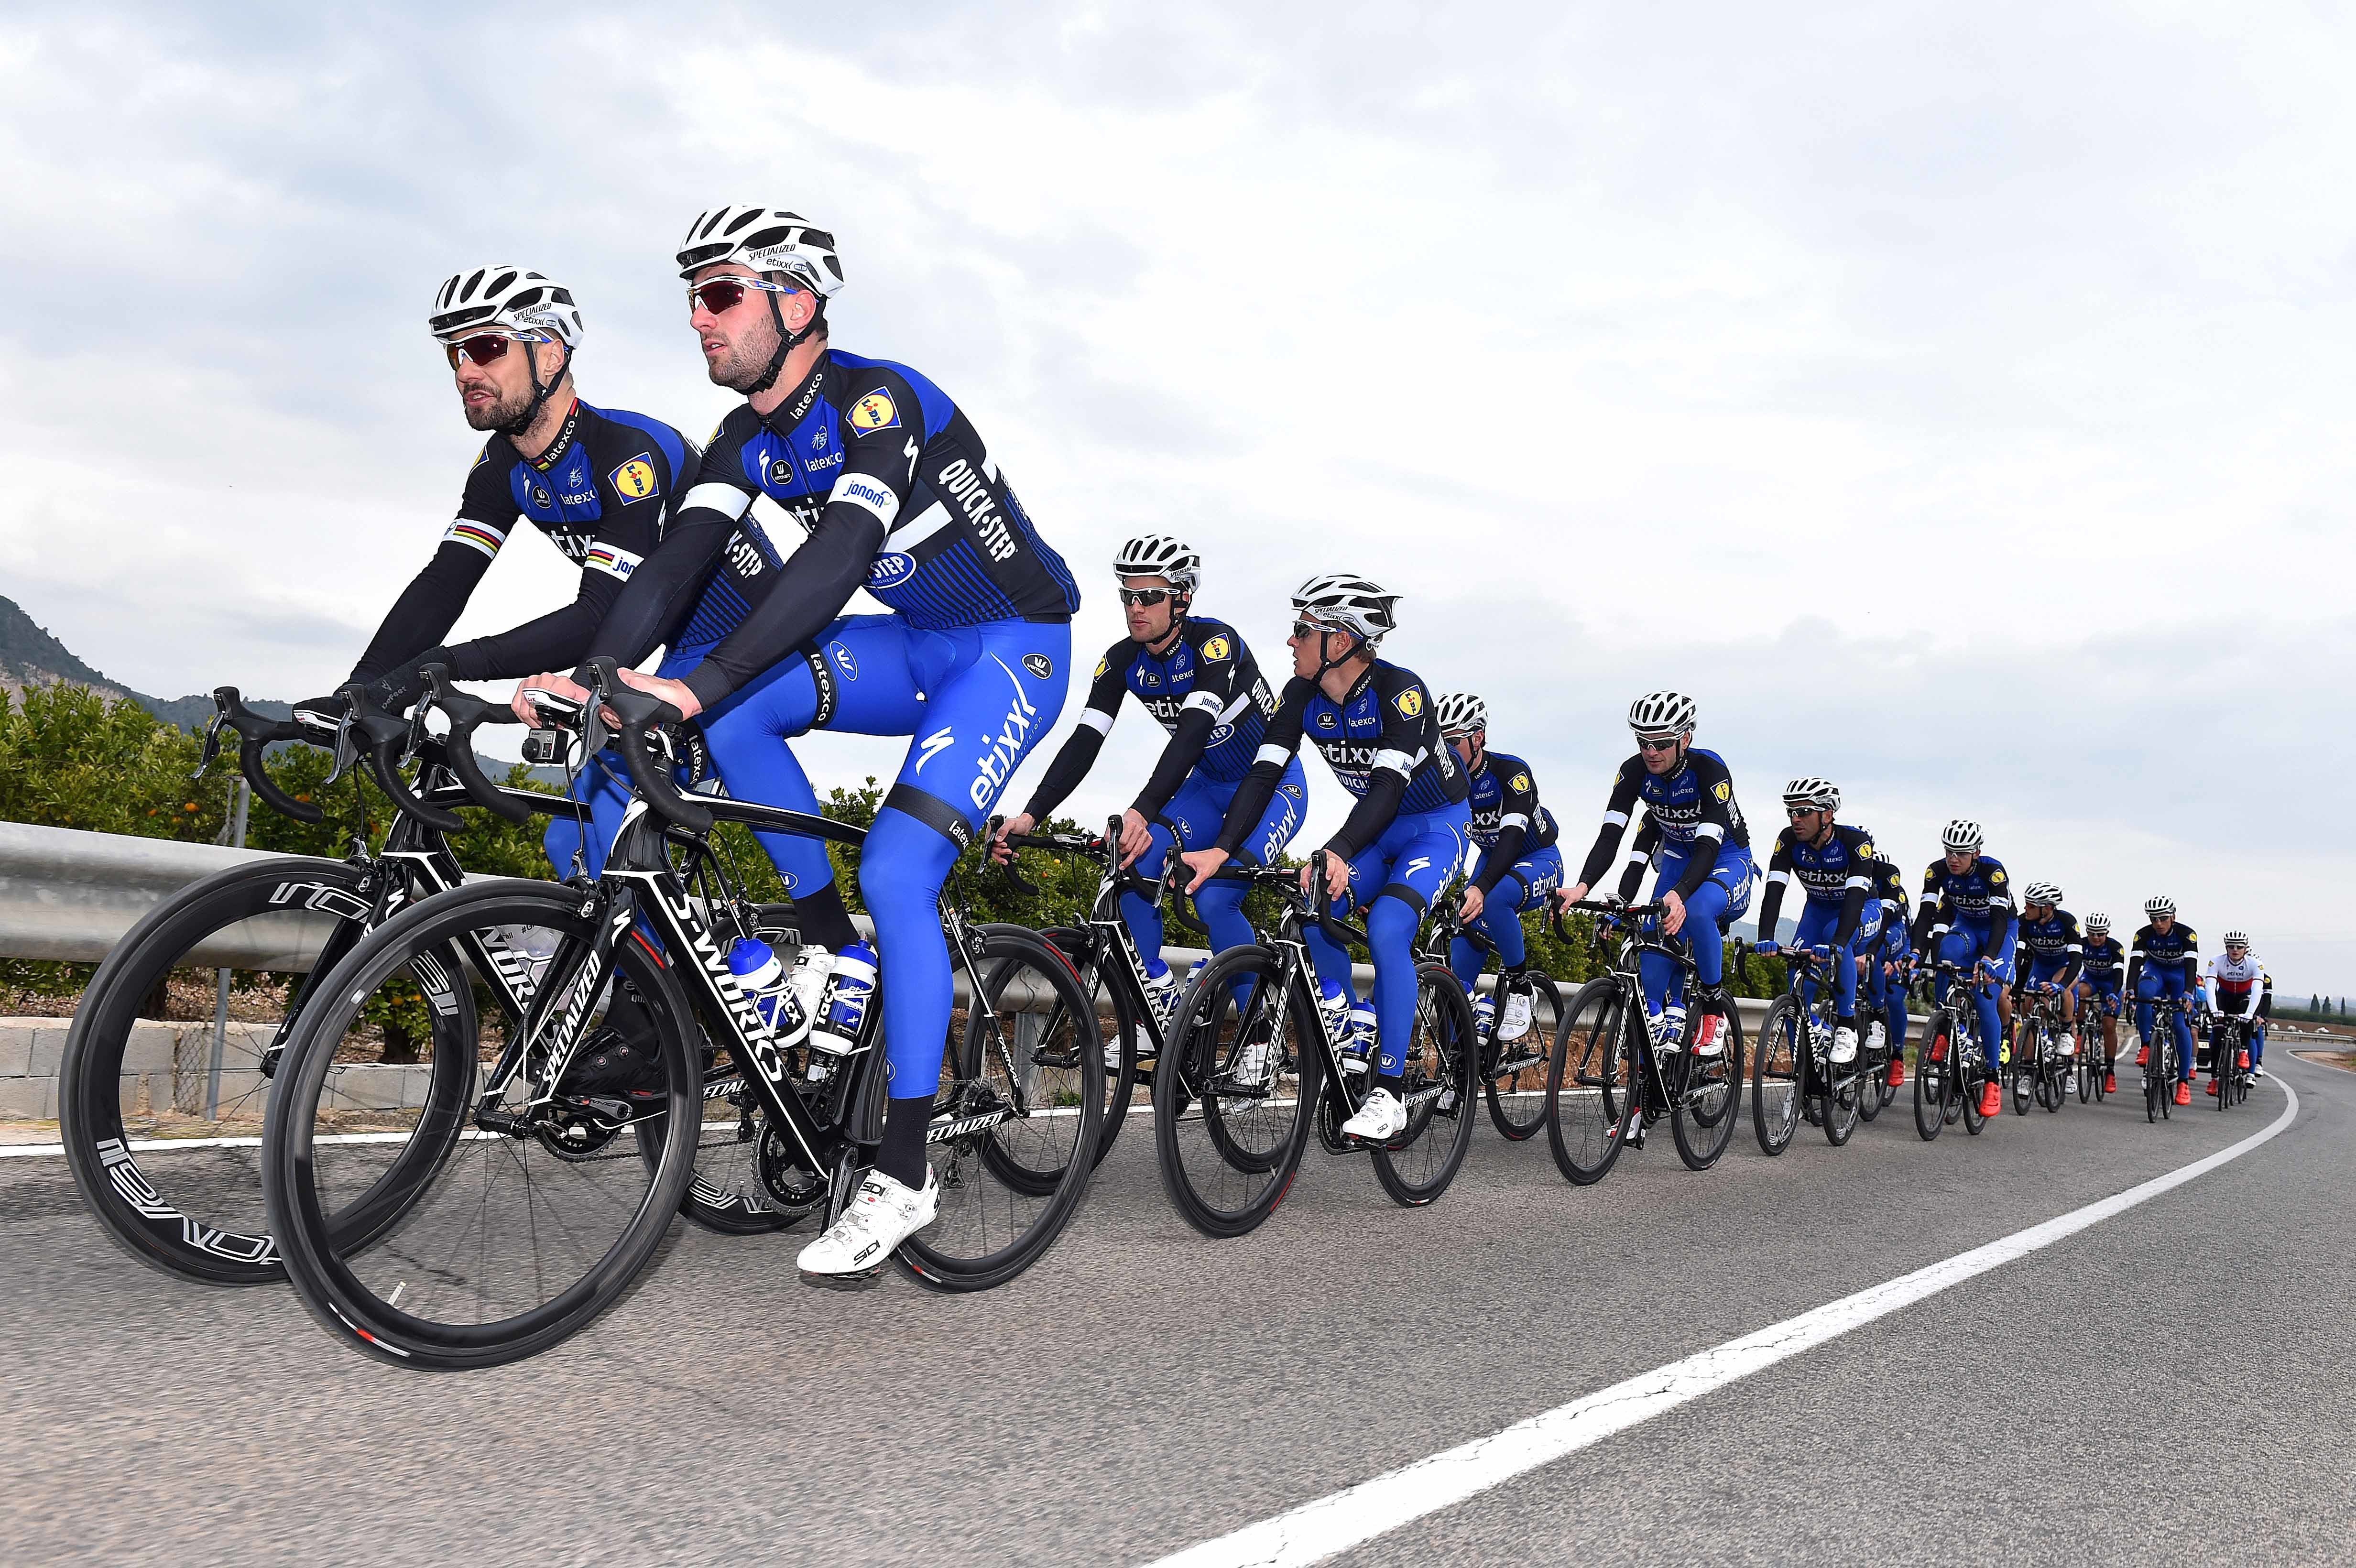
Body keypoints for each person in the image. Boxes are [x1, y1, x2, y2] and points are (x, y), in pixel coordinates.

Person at [557, 206, 1080, 1276]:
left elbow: (839, 555)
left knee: (896, 869)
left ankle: (904, 1172)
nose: (698, 318)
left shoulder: (878, 400)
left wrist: (692, 685)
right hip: (918, 642)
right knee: (738, 714)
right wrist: (598, 677)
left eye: (720, 293)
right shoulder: (744, 437)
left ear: (796, 301)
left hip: (1011, 650)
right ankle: (832, 948)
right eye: (692, 297)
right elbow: (675, 564)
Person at [298, 266, 706, 752]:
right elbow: (445, 583)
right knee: (582, 803)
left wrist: (445, 664)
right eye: (456, 353)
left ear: (551, 355)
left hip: (728, 649)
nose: (465, 372)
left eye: (488, 347)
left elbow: (601, 612)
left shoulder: (629, 451)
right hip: (646, 648)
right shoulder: (501, 466)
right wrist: (362, 691)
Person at [1178, 576, 1470, 1143]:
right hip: (1376, 829)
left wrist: (1336, 850)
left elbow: (1387, 788)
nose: (1291, 641)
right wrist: (1222, 849)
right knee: (1310, 905)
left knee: (1387, 927)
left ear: (1339, 640)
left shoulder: (1400, 692)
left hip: (1434, 827)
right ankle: (1342, 1012)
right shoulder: (1299, 695)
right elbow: (1263, 775)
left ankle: (1388, 1093)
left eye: (1302, 630)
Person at [992, 535, 1303, 1060]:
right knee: (1133, 863)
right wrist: (1031, 813)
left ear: (1181, 599)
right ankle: (1154, 1005)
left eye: (1150, 596)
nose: (1136, 607)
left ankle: (1258, 1034)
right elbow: (1085, 741)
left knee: (1214, 897)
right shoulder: (1121, 661)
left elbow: (1191, 735)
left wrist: (1141, 810)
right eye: (1128, 596)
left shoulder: (1215, 645)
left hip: (1270, 787)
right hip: (1206, 788)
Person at [1556, 692, 1754, 1054]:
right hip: (1677, 856)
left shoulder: (1710, 770)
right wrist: (1582, 887)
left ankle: (1713, 1009)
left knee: (1695, 910)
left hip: (1725, 856)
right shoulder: (1633, 771)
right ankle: (1655, 1049)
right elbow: (1610, 836)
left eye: (1661, 743)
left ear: (1685, 739)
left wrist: (1680, 893)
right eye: (1643, 742)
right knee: (1650, 934)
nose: (1651, 752)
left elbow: (1708, 847)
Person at [1436, 693, 1561, 1045]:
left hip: (1537, 858)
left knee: (1492, 899)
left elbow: (1512, 838)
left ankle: (1521, 987)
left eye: (1453, 742)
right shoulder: (1444, 779)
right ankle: (1461, 1060)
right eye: (1439, 742)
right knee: (1460, 943)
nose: (1444, 751)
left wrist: (1481, 887)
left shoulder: (1510, 772)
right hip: (1492, 859)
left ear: (1478, 738)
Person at [1750, 778, 1879, 1067]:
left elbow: (1855, 899)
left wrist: (1838, 942)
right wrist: (1766, 935)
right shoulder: (1788, 841)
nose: (1796, 819)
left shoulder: (1854, 842)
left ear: (1827, 815)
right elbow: (1774, 890)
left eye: (1804, 812)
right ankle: (1807, 1061)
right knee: (1796, 980)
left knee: (1836, 937)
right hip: (1817, 910)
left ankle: (1846, 1026)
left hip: (1861, 909)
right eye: (1792, 812)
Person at [1909, 818, 2018, 1119]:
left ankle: (1993, 1078)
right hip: (1967, 925)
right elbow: (1926, 914)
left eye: (1961, 853)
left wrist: (1989, 958)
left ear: (1976, 853)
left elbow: (1999, 920)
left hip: (1999, 932)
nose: (1953, 859)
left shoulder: (1993, 872)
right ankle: (1945, 1027)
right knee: (1947, 953)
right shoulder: (1937, 871)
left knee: (1985, 999)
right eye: (1949, 852)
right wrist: (1916, 951)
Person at [2126, 895, 2202, 1107]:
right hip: (2156, 971)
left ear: (2173, 917)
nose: (2158, 924)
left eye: (2163, 919)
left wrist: (2188, 992)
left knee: (2180, 1025)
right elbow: (2135, 964)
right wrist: (2130, 989)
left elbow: (2191, 966)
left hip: (2180, 976)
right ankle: (2146, 1046)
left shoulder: (2187, 934)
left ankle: (2184, 1083)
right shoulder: (2143, 935)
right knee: (2144, 993)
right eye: (2154, 919)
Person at [2014, 881, 2084, 1066]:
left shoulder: (2067, 922)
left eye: (2031, 906)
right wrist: (2013, 983)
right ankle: (2028, 1068)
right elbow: (2018, 954)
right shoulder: (2024, 922)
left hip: (2065, 966)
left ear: (2047, 909)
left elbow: (2077, 958)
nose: (2025, 908)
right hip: (2041, 967)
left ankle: (2066, 1032)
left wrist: (2062, 985)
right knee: (2029, 1008)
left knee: (2062, 989)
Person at [2204, 929, 2271, 1088]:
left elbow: (2257, 990)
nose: (2235, 950)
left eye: (2240, 947)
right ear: (2226, 948)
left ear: (2245, 948)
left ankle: (2243, 1052)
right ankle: (2214, 1078)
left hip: (2244, 998)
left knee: (2247, 1019)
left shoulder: (2255, 964)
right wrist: (2214, 1010)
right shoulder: (2216, 961)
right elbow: (2210, 987)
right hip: (2224, 998)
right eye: (2231, 947)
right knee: (2217, 1033)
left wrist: (2250, 1014)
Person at [2075, 912, 2127, 1093]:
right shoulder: (2082, 944)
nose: (2096, 937)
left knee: (2109, 1025)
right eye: (2092, 934)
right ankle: (2080, 1032)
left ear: (2107, 933)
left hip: (2110, 984)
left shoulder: (2115, 948)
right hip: (2090, 980)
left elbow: (2119, 975)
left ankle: (2110, 1071)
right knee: (2079, 992)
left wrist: (2114, 993)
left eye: (2100, 934)